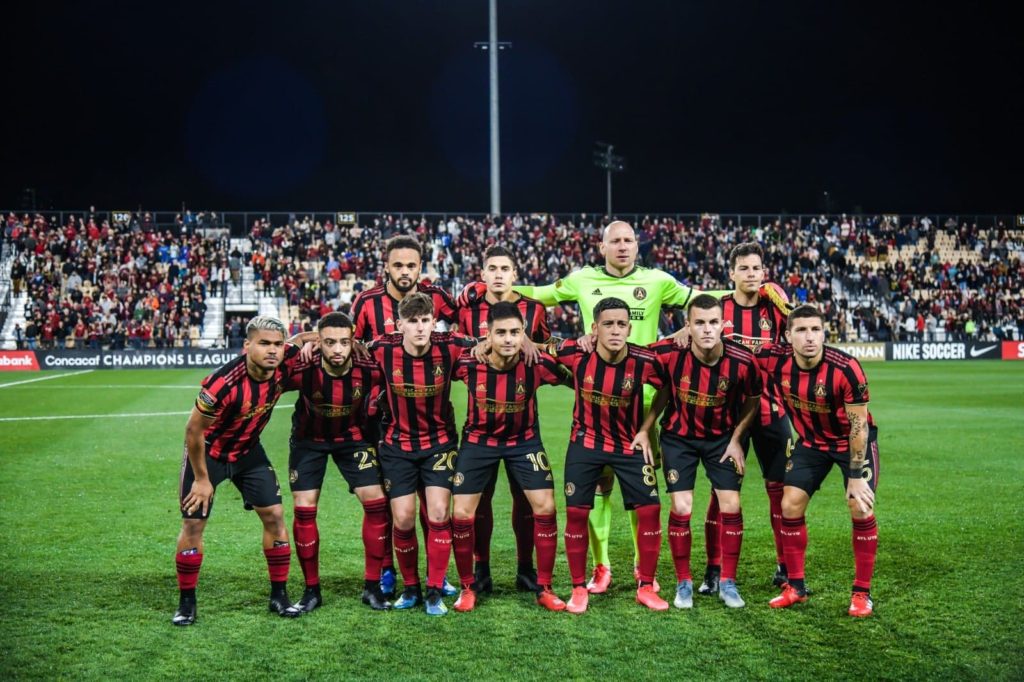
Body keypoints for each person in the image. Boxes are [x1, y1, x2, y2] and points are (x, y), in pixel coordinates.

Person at [512, 221, 704, 593]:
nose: (622, 246)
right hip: (597, 401)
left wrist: (690, 326)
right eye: (614, 241)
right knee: (600, 488)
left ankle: (640, 567)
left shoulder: (658, 280)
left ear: (637, 245)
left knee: (643, 491)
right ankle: (602, 567)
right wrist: (497, 287)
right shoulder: (582, 279)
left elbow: (702, 301)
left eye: (628, 240)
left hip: (647, 408)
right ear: (601, 247)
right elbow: (538, 294)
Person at [172, 316, 302, 626]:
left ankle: (279, 596)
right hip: (209, 454)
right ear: (247, 346)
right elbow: (193, 432)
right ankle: (187, 603)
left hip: (248, 453)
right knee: (193, 524)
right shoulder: (223, 383)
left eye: (277, 344)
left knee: (275, 516)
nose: (272, 350)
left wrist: (319, 334)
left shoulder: (285, 363)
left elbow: (305, 341)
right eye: (264, 343)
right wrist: (203, 479)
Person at [350, 234, 459, 598]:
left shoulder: (439, 297)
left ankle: (436, 576)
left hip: (434, 417)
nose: (405, 271)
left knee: (435, 505)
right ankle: (386, 571)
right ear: (386, 266)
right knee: (392, 505)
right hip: (385, 420)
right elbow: (349, 346)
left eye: (411, 264)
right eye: (398, 265)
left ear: (420, 267)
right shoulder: (366, 302)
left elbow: (467, 329)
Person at [637, 295, 762, 609]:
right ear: (687, 326)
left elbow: (753, 399)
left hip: (722, 439)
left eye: (713, 322)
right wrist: (645, 427)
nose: (707, 329)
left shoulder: (743, 359)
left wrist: (736, 439)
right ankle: (684, 583)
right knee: (682, 507)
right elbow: (629, 356)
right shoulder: (669, 353)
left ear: (723, 324)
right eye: (699, 323)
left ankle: (728, 583)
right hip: (679, 439)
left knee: (731, 505)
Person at [758, 305, 880, 617]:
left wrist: (855, 475)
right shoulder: (776, 359)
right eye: (801, 330)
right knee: (790, 504)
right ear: (788, 336)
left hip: (851, 443)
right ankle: (796, 587)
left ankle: (861, 594)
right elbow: (732, 347)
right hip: (811, 443)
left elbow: (858, 426)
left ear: (824, 332)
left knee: (860, 504)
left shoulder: (846, 368)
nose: (809, 337)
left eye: (815, 329)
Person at [450, 301, 570, 612]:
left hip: (524, 442)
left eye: (515, 332)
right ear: (486, 336)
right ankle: (468, 586)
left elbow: (578, 374)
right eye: (500, 332)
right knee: (462, 513)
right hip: (478, 442)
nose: (508, 339)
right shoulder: (466, 362)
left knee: (546, 506)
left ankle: (543, 586)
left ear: (523, 335)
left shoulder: (536, 363)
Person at [555, 297, 669, 614]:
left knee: (650, 509)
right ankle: (579, 588)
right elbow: (537, 348)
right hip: (586, 443)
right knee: (577, 512)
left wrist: (647, 427)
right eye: (608, 324)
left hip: (629, 445)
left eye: (621, 324)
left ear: (629, 328)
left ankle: (646, 585)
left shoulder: (645, 360)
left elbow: (666, 389)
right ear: (594, 328)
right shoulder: (576, 353)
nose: (615, 330)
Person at [366, 293, 474, 615]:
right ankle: (410, 587)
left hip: (439, 445)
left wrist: (522, 340)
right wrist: (307, 339)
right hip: (398, 447)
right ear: (399, 325)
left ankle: (433, 589)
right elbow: (347, 345)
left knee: (439, 514)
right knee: (402, 518)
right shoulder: (382, 349)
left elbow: (488, 342)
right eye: (412, 321)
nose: (420, 328)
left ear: (433, 322)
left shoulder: (450, 345)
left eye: (425, 320)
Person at [455, 245, 551, 594]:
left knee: (525, 497)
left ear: (515, 273)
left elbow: (545, 351)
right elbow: (457, 345)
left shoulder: (534, 309)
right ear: (482, 274)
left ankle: (526, 568)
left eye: (504, 268)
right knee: (478, 498)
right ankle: (481, 570)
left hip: (524, 420)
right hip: (480, 422)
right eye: (491, 268)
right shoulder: (467, 308)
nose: (498, 274)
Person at [281, 312, 392, 612]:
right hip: (308, 442)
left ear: (353, 341)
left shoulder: (368, 367)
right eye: (329, 342)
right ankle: (311, 590)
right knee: (304, 510)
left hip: (353, 439)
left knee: (377, 504)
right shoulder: (303, 367)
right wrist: (300, 339)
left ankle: (372, 587)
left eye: (344, 342)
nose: (338, 349)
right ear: (319, 343)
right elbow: (272, 355)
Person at [700, 242, 793, 597]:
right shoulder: (718, 309)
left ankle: (785, 567)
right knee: (720, 494)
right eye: (745, 268)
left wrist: (786, 300)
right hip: (728, 415)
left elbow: (805, 331)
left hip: (772, 411)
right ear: (732, 273)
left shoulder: (776, 309)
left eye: (757, 268)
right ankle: (713, 569)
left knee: (780, 494)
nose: (752, 274)